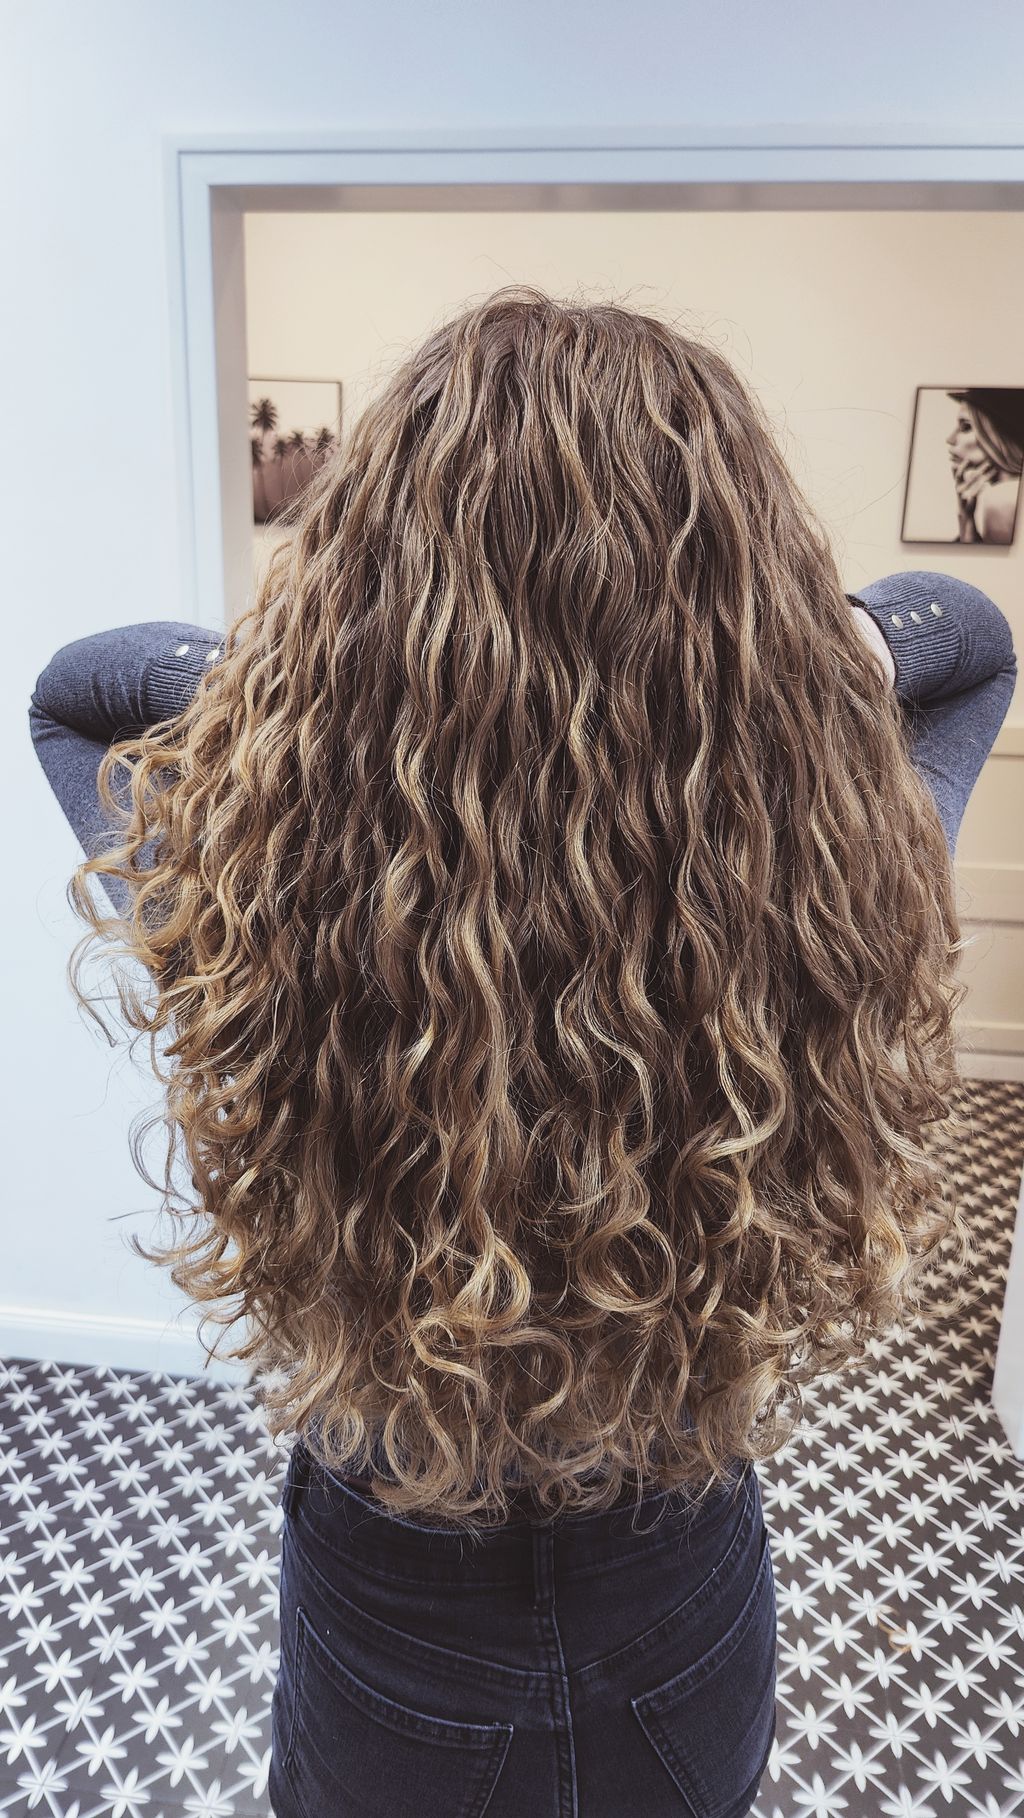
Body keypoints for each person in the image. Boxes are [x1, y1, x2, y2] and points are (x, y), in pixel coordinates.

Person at [28, 286, 1018, 1818]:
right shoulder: (827, 888)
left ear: (360, 587)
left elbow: (79, 693)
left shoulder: (256, 894)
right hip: (679, 1601)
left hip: (390, 1609)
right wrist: (791, 673)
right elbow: (967, 640)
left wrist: (320, 685)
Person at [944, 386, 1024, 544]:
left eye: (965, 427)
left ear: (997, 439)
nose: (950, 439)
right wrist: (966, 520)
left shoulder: (1001, 498)